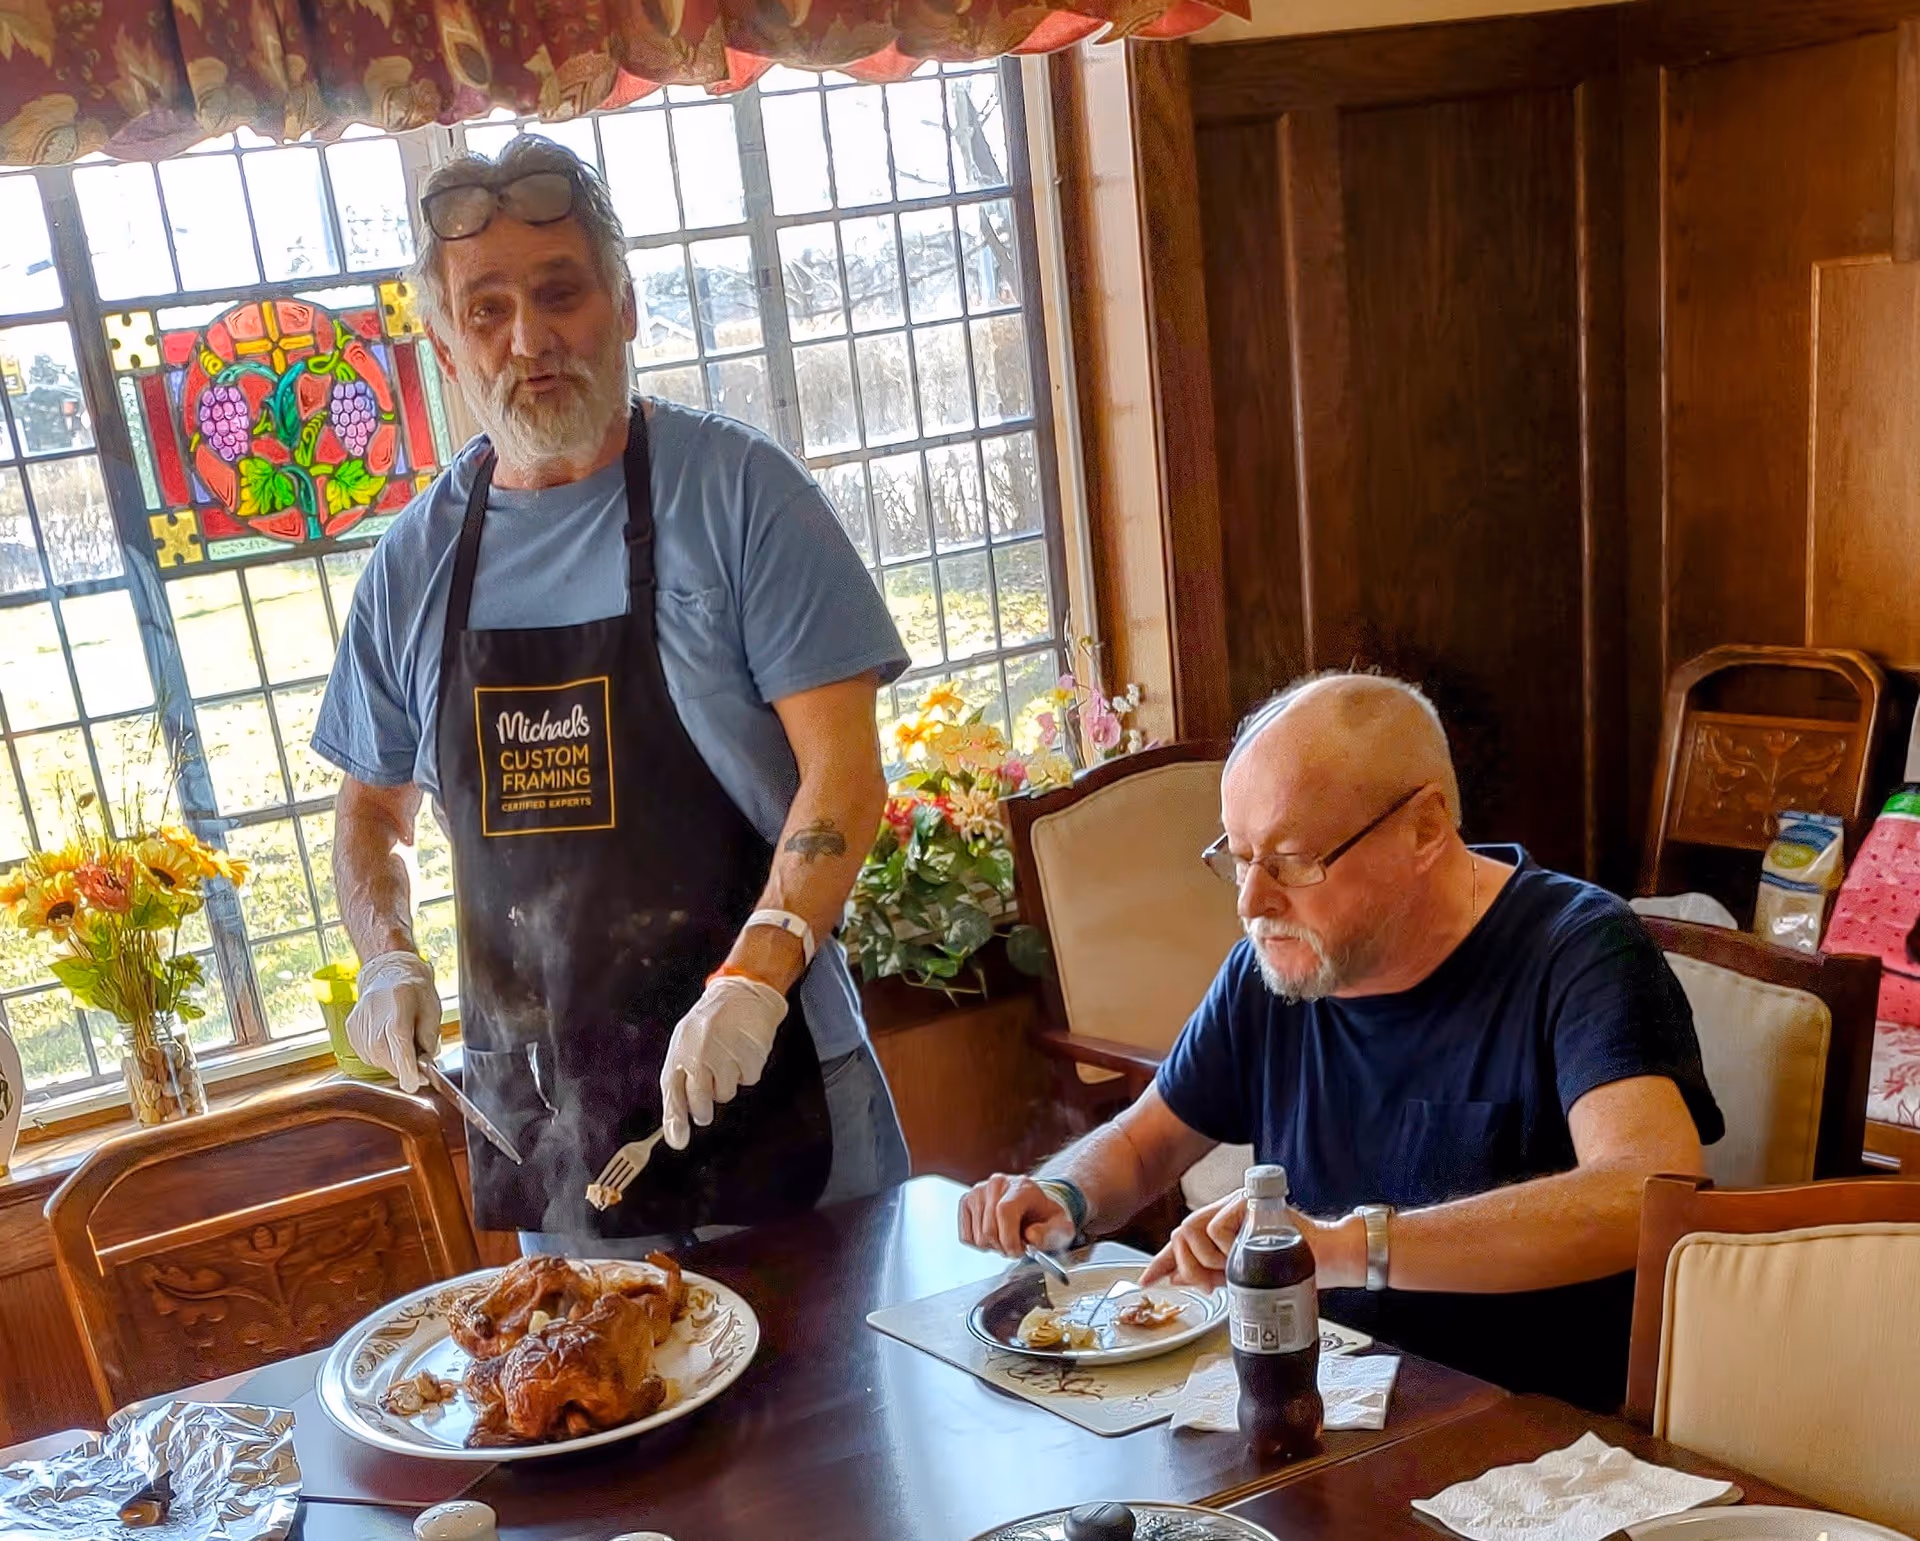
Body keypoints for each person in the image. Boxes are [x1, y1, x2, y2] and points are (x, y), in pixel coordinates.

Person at [312, 135, 911, 1256]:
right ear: (446, 347)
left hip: (771, 1074)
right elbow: (370, 811)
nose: (529, 340)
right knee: (587, 1402)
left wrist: (759, 963)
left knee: (841, 1422)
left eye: (560, 292)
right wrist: (385, 952)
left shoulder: (739, 495)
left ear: (625, 307)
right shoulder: (412, 564)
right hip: (553, 1126)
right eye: (486, 309)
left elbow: (843, 773)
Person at [959, 672, 1724, 1409]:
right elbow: (1142, 1145)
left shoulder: (1581, 951)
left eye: (1292, 860)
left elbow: (1647, 1192)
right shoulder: (1272, 968)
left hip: (1531, 1430)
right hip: (1318, 1405)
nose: (1253, 901)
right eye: (1237, 857)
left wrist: (1343, 1246)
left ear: (1425, 828)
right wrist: (1063, 1194)